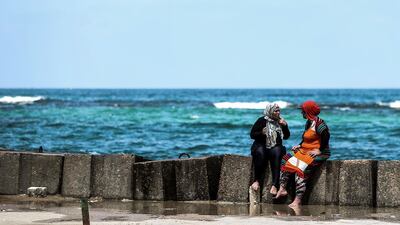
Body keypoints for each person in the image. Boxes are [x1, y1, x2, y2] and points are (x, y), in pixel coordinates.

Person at [275, 100, 330, 207]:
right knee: (286, 159)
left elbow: (326, 137)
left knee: (301, 169)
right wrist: (300, 145)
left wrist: (319, 150)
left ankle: (298, 200)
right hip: (305, 150)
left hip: (318, 153)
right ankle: (282, 188)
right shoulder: (308, 122)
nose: (302, 113)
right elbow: (307, 137)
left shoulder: (320, 124)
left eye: (303, 111)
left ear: (308, 112)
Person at [250, 103, 290, 195]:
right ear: (270, 111)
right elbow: (252, 135)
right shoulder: (261, 120)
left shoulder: (280, 121)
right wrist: (262, 133)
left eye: (279, 110)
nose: (278, 112)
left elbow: (287, 136)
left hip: (275, 146)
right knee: (261, 152)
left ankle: (275, 185)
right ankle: (257, 180)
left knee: (277, 152)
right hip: (260, 145)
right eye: (276, 111)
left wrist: (285, 126)